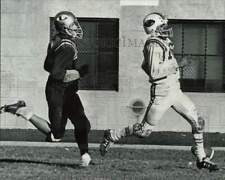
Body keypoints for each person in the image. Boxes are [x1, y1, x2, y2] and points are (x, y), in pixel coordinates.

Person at [99, 12, 219, 171]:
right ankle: (113, 134)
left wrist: (171, 68)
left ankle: (201, 157)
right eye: (162, 25)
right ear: (154, 28)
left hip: (175, 90)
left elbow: (145, 65)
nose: (166, 28)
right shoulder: (153, 44)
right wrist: (178, 65)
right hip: (162, 92)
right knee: (143, 131)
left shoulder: (162, 41)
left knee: (198, 122)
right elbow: (154, 72)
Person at [1, 11, 92, 167]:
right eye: (72, 25)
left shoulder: (57, 40)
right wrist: (79, 73)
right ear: (64, 28)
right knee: (56, 135)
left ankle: (85, 156)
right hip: (58, 92)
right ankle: (20, 110)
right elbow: (57, 74)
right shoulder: (67, 47)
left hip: (66, 91)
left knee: (83, 124)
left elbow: (47, 66)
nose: (76, 27)